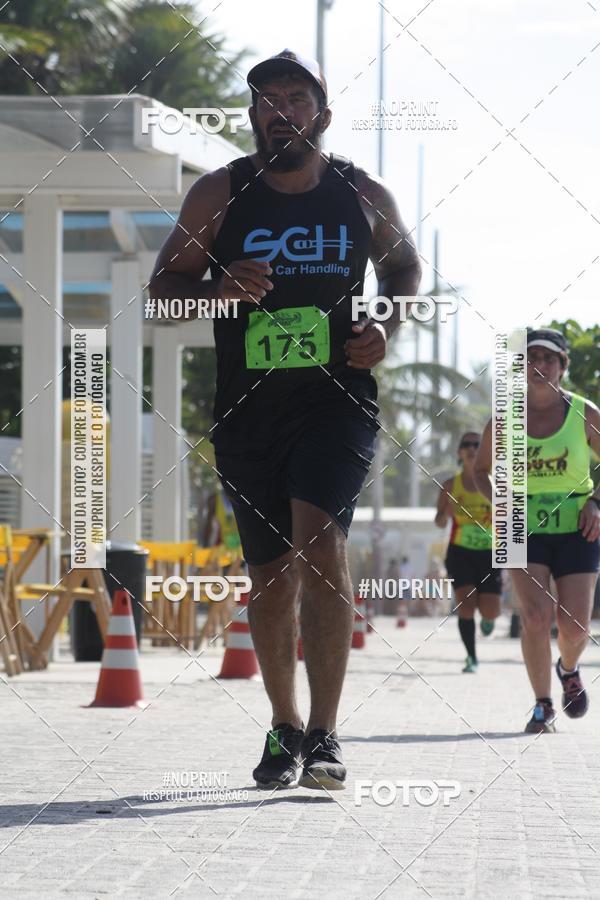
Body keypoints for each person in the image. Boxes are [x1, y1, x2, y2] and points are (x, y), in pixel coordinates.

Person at [149, 50, 421, 789]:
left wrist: (385, 323)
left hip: (337, 402)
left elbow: (405, 269)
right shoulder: (220, 195)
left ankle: (328, 735)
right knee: (269, 577)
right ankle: (285, 727)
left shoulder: (362, 194)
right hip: (246, 412)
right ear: (252, 118)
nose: (281, 112)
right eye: (267, 101)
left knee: (321, 548)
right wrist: (217, 291)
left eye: (296, 99)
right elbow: (159, 296)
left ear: (321, 115)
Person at [474, 328, 600, 733]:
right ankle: (542, 705)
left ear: (563, 366)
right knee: (533, 614)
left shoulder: (585, 413)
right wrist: (498, 502)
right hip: (519, 523)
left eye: (549, 358)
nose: (539, 366)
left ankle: (568, 668)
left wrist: (597, 503)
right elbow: (480, 470)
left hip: (576, 524)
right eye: (530, 358)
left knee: (575, 626)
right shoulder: (505, 419)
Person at [435, 432, 503, 672]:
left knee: (491, 610)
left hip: (489, 553)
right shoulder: (450, 486)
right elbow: (439, 522)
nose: (472, 448)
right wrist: (445, 515)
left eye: (477, 444)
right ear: (459, 452)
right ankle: (471, 657)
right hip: (460, 551)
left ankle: (487, 620)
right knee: (466, 604)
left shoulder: (497, 482)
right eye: (467, 444)